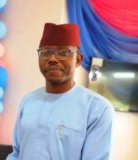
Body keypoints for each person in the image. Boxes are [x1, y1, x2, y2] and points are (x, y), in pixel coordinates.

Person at [7, 23, 114, 160]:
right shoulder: (28, 101)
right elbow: (16, 153)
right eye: (45, 52)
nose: (52, 59)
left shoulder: (97, 109)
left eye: (64, 53)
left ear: (78, 60)